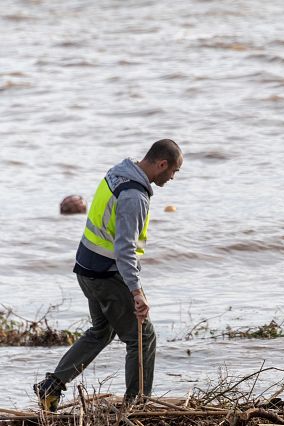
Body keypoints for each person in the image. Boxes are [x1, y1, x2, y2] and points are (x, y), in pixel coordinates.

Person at [34, 140, 183, 410]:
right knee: (142, 337)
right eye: (174, 171)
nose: (172, 177)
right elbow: (125, 249)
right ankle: (136, 406)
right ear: (162, 164)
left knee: (102, 331)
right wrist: (137, 293)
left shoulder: (117, 173)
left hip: (86, 268)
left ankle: (51, 387)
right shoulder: (134, 197)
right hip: (106, 274)